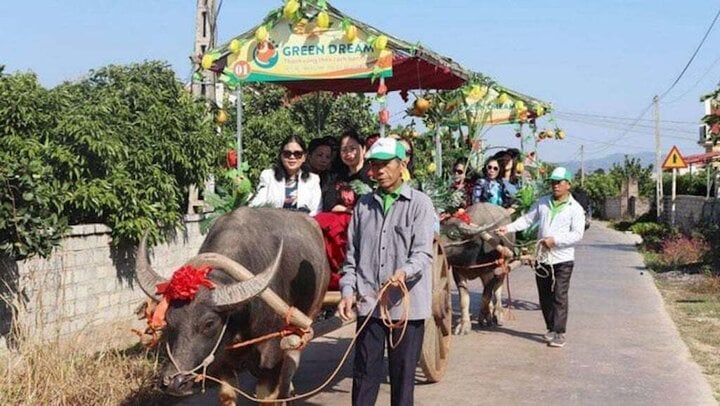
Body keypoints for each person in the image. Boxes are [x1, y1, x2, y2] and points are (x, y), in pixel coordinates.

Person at [338, 137, 435, 406]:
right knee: (364, 374)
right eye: (374, 165)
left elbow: (423, 253)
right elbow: (351, 258)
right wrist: (347, 290)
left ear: (401, 164)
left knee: (402, 378)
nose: (378, 171)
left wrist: (403, 273)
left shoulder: (420, 204)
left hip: (406, 307)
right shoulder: (364, 206)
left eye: (384, 164)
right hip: (369, 304)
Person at [495, 167, 585, 348]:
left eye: (559, 182)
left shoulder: (575, 208)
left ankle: (559, 332)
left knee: (560, 294)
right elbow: (527, 220)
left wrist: (556, 240)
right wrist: (508, 228)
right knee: (545, 295)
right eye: (553, 182)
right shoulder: (543, 203)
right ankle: (551, 327)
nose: (555, 186)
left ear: (568, 184)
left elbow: (577, 234)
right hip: (542, 258)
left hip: (563, 258)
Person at [249, 135, 322, 216]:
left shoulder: (313, 179)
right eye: (287, 154)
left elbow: (316, 211)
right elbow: (257, 205)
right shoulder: (268, 176)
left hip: (302, 225)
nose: (292, 157)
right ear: (281, 156)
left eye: (297, 154)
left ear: (304, 157)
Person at [321, 130, 373, 213]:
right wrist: (348, 211)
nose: (348, 153)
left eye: (352, 149)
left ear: (363, 149)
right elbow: (329, 203)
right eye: (344, 150)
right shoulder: (339, 176)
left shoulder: (372, 174)